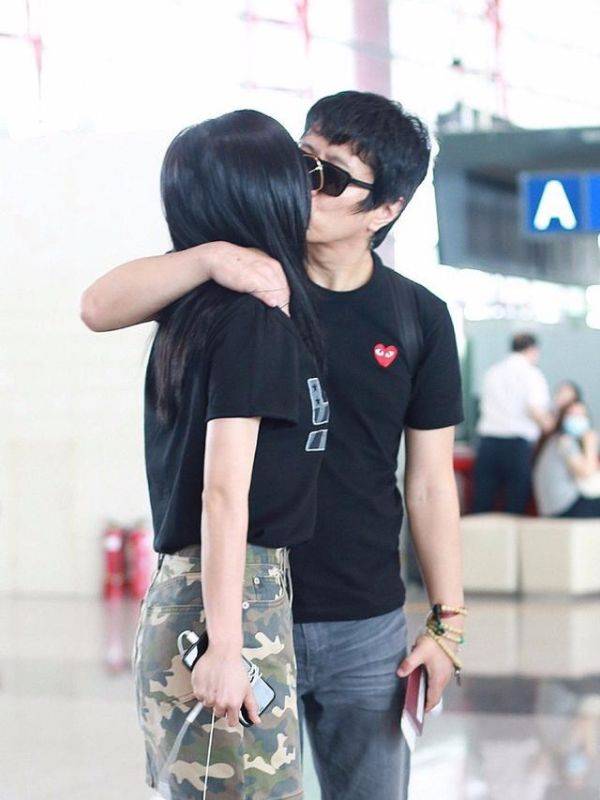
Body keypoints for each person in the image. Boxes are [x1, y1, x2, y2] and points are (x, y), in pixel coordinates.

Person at [81, 90, 466, 800]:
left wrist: (448, 623)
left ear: (384, 210)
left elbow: (430, 483)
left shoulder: (418, 317)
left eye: (332, 176)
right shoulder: (247, 282)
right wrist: (209, 258)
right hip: (248, 604)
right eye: (301, 161)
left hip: (364, 620)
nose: (305, 184)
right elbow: (98, 306)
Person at [128, 110, 329, 799]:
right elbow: (222, 494)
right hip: (227, 601)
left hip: (211, 596)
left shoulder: (202, 313)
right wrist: (225, 644)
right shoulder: (248, 322)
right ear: (267, 192)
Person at [473, 332, 554, 515]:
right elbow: (535, 409)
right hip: (516, 446)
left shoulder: (492, 372)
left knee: (483, 501)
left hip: (487, 443)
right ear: (532, 350)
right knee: (515, 503)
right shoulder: (532, 374)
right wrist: (553, 428)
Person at [533, 399, 600, 518]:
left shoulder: (555, 440)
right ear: (563, 418)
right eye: (572, 414)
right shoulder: (564, 441)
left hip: (554, 508)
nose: (577, 418)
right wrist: (590, 445)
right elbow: (586, 472)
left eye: (581, 415)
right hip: (563, 508)